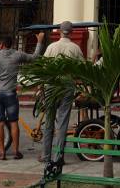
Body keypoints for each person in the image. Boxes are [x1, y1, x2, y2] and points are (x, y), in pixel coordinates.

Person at [0, 32, 47, 160]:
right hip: (10, 94)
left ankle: (2, 153)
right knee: (13, 122)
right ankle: (15, 152)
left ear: (1, 45)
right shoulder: (17, 55)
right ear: (11, 44)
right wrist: (40, 41)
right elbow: (35, 57)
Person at [39, 21, 84, 164]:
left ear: (59, 31)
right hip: (67, 85)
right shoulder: (75, 48)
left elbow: (43, 67)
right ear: (71, 32)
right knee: (63, 122)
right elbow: (82, 68)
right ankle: (58, 157)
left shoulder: (51, 47)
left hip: (51, 86)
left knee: (49, 122)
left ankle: (46, 155)